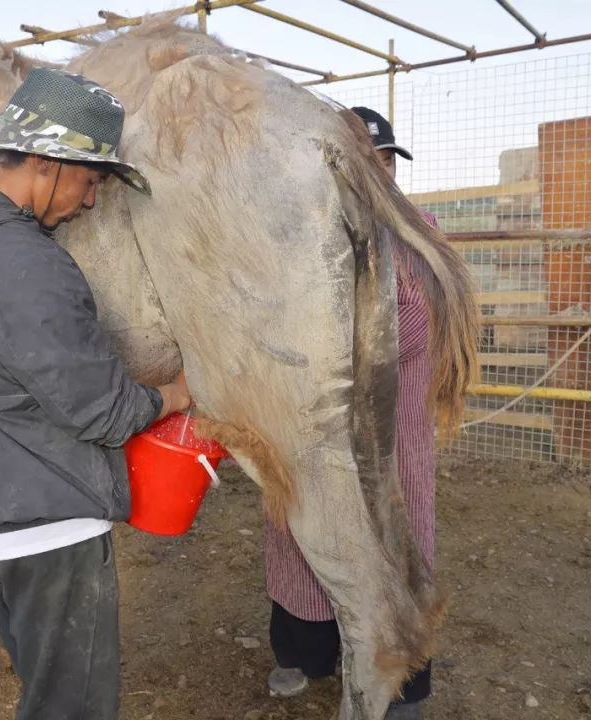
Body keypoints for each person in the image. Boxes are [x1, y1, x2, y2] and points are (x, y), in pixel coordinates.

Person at [0, 68, 192, 720]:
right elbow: (103, 410)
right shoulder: (24, 262)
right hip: (53, 531)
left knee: (44, 692)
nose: (90, 202)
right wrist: (175, 393)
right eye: (89, 180)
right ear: (42, 162)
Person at [263, 106, 439, 720]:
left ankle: (405, 680)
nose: (384, 173)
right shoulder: (300, 234)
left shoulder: (421, 233)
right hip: (314, 420)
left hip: (393, 424)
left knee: (396, 533)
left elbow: (417, 325)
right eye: (374, 161)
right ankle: (303, 652)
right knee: (301, 534)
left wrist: (332, 344)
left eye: (390, 161)